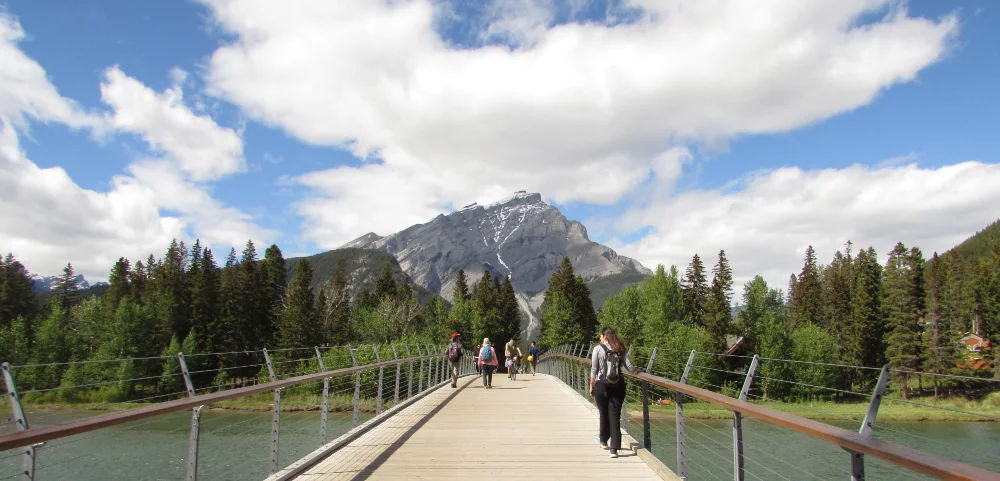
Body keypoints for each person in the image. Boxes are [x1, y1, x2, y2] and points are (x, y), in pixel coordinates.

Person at [589, 327, 638, 458]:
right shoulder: (619, 348)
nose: (600, 338)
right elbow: (630, 367)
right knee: (615, 416)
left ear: (604, 336)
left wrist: (591, 385)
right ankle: (614, 449)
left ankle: (604, 441)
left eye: (600, 336)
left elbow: (594, 369)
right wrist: (639, 371)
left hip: (601, 385)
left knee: (603, 413)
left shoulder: (597, 349)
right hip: (617, 385)